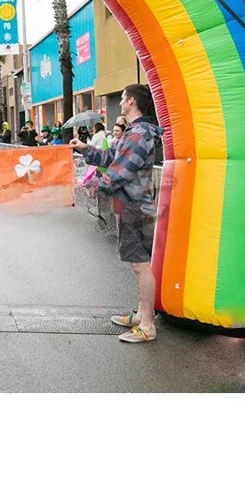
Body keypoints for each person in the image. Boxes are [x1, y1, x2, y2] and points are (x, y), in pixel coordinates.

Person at [70, 84, 162, 344]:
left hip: (135, 206)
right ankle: (142, 315)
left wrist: (94, 185)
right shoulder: (133, 132)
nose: (119, 104)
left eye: (121, 99)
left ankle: (147, 325)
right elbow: (111, 156)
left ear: (131, 101)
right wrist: (85, 148)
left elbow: (119, 170)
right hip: (132, 205)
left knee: (140, 265)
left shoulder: (139, 133)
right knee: (137, 264)